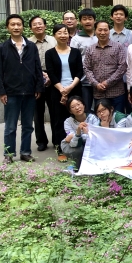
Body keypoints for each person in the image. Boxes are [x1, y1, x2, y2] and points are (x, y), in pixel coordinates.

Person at [0, 14, 44, 163]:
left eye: (19, 24)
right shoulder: (2, 48)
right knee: (10, 126)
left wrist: (38, 87)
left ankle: (25, 152)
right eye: (13, 24)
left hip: (30, 92)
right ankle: (8, 154)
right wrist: (1, 91)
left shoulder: (31, 46)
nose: (16, 27)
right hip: (11, 93)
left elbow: (37, 68)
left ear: (23, 27)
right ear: (8, 27)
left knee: (28, 126)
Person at [46, 24, 83, 163]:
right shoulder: (50, 53)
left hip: (75, 90)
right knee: (58, 121)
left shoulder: (75, 52)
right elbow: (51, 73)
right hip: (57, 91)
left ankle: (77, 146)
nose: (63, 35)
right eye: (59, 33)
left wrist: (70, 87)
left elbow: (80, 71)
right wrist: (62, 89)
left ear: (69, 35)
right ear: (54, 35)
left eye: (65, 32)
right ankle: (60, 149)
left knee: (76, 118)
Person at [83, 20, 128, 114]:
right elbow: (87, 68)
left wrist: (108, 82)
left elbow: (122, 67)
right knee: (102, 119)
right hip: (98, 93)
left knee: (118, 118)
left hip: (116, 92)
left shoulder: (118, 47)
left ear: (109, 31)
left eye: (105, 30)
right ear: (95, 31)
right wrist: (96, 84)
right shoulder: (90, 49)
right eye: (100, 30)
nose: (102, 33)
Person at [28, 16, 55, 152]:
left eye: (40, 24)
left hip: (53, 78)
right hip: (34, 79)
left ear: (45, 26)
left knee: (55, 112)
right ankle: (41, 141)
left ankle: (57, 140)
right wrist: (40, 75)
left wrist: (51, 76)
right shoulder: (27, 43)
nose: (38, 26)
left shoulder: (54, 40)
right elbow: (26, 63)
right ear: (30, 28)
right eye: (35, 24)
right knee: (37, 113)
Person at [70, 8, 98, 111]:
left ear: (94, 20)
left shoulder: (100, 36)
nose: (87, 21)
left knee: (101, 109)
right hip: (83, 81)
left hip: (99, 81)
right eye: (84, 19)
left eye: (90, 18)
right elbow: (73, 61)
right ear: (80, 21)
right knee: (85, 109)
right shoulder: (76, 39)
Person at [60, 96, 99, 169]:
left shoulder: (93, 118)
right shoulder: (68, 122)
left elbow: (95, 137)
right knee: (77, 148)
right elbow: (73, 143)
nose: (77, 108)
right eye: (73, 107)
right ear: (70, 111)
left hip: (92, 145)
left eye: (78, 104)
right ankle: (76, 166)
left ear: (83, 105)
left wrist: (77, 136)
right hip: (77, 146)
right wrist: (78, 132)